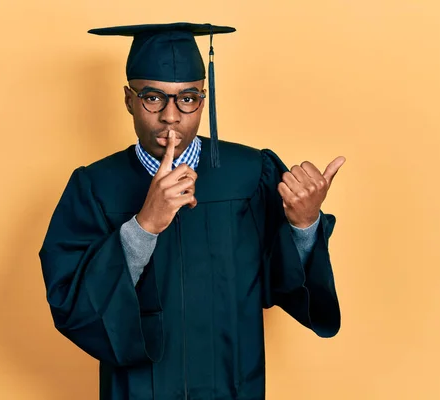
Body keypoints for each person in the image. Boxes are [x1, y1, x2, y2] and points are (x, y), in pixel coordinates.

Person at [38, 22, 346, 400]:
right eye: (153, 97)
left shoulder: (249, 175)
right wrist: (144, 226)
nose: (171, 116)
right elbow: (73, 304)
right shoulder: (95, 186)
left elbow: (285, 281)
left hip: (233, 383)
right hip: (141, 389)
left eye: (187, 98)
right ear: (128, 99)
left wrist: (304, 224)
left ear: (204, 98)